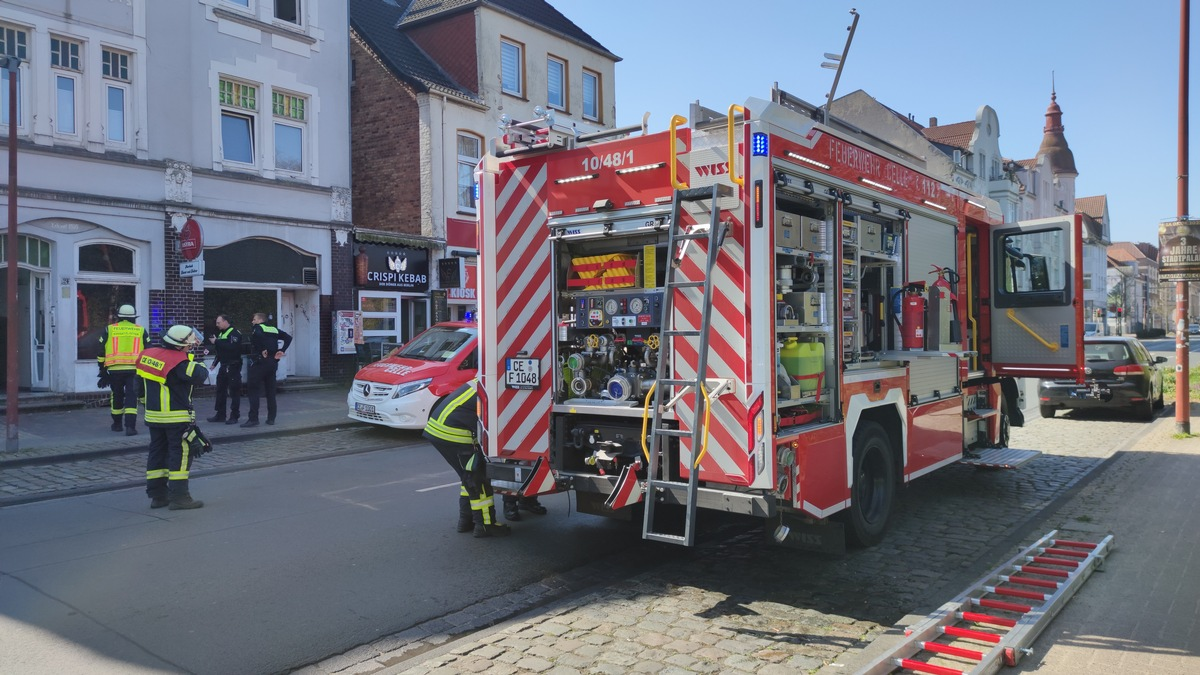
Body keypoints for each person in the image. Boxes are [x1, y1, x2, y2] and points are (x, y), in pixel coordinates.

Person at [422, 380, 510, 538]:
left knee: (468, 476)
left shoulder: (482, 381)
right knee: (479, 478)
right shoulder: (495, 385)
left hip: (438, 429)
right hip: (454, 432)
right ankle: (485, 525)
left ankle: (466, 520)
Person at [136, 325, 209, 510]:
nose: (190, 348)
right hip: (176, 418)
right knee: (181, 455)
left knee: (157, 454)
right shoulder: (180, 363)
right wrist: (198, 359)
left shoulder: (148, 356)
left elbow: (139, 389)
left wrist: (147, 405)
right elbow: (201, 375)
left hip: (153, 416)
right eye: (189, 346)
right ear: (180, 346)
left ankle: (158, 496)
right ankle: (180, 498)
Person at [97, 304, 149, 436]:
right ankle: (130, 427)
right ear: (133, 318)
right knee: (132, 397)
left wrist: (102, 370)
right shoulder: (141, 330)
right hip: (135, 370)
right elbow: (149, 351)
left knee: (117, 395)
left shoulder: (110, 330)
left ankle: (117, 424)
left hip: (115, 369)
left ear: (119, 317)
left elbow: (100, 350)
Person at [242, 312, 292, 428]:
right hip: (272, 362)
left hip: (260, 362)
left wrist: (262, 348)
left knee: (253, 390)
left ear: (260, 320)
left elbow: (258, 336)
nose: (252, 322)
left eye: (254, 319)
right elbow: (288, 337)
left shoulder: (258, 328)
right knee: (271, 391)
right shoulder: (273, 329)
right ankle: (271, 419)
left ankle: (253, 419)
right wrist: (282, 350)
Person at [206, 314, 244, 425]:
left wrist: (216, 342)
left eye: (218, 322)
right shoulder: (222, 334)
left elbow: (232, 347)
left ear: (225, 321)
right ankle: (220, 415)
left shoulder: (234, 333)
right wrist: (214, 363)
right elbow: (221, 351)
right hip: (224, 366)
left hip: (233, 366)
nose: (217, 325)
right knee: (220, 391)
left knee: (234, 392)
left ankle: (234, 416)